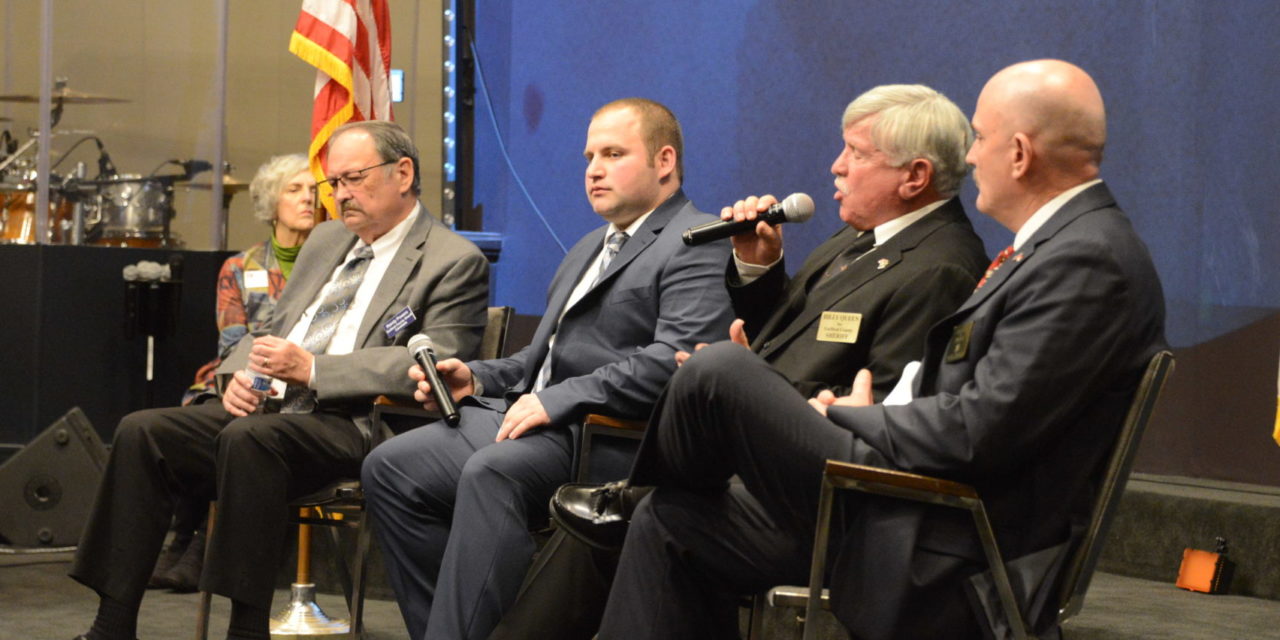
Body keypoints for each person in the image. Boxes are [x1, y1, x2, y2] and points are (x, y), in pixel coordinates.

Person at [564, 59, 1167, 640]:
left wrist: (851, 413)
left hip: (940, 534)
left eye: (981, 137)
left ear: (1019, 153)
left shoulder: (1086, 260)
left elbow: (980, 430)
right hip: (902, 491)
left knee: (718, 370)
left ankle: (632, 489)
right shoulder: (1062, 248)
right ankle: (641, 498)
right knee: (669, 519)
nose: (973, 154)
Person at [493, 84, 990, 640]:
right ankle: (632, 501)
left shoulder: (939, 267)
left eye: (856, 153)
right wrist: (759, 272)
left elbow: (880, 408)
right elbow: (799, 337)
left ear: (915, 177)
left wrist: (753, 383)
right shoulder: (854, 243)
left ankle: (631, 496)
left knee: (673, 454)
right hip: (764, 470)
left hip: (827, 503)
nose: (836, 166)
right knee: (650, 514)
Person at [69, 120, 491, 640]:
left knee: (251, 441)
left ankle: (246, 628)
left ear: (403, 173)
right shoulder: (328, 240)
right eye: (333, 184)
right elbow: (269, 328)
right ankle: (111, 624)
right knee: (143, 431)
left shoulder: (453, 260)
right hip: (271, 410)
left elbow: (435, 362)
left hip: (353, 423)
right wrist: (242, 375)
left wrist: (312, 370)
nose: (340, 196)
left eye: (354, 179)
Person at [360, 97, 735, 640]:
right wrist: (476, 377)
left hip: (604, 436)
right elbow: (542, 358)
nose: (594, 170)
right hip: (530, 419)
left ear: (665, 161)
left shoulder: (696, 240)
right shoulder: (588, 246)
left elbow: (671, 364)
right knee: (389, 468)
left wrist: (556, 400)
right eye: (588, 157)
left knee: (494, 471)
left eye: (612, 153)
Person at [150, 155, 317, 594]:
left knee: (237, 423)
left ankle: (201, 542)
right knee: (201, 406)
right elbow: (231, 343)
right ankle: (180, 539)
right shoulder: (241, 267)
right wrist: (254, 378)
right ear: (270, 202)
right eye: (295, 189)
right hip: (240, 373)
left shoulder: (330, 266)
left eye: (313, 190)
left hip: (299, 383)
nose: (308, 198)